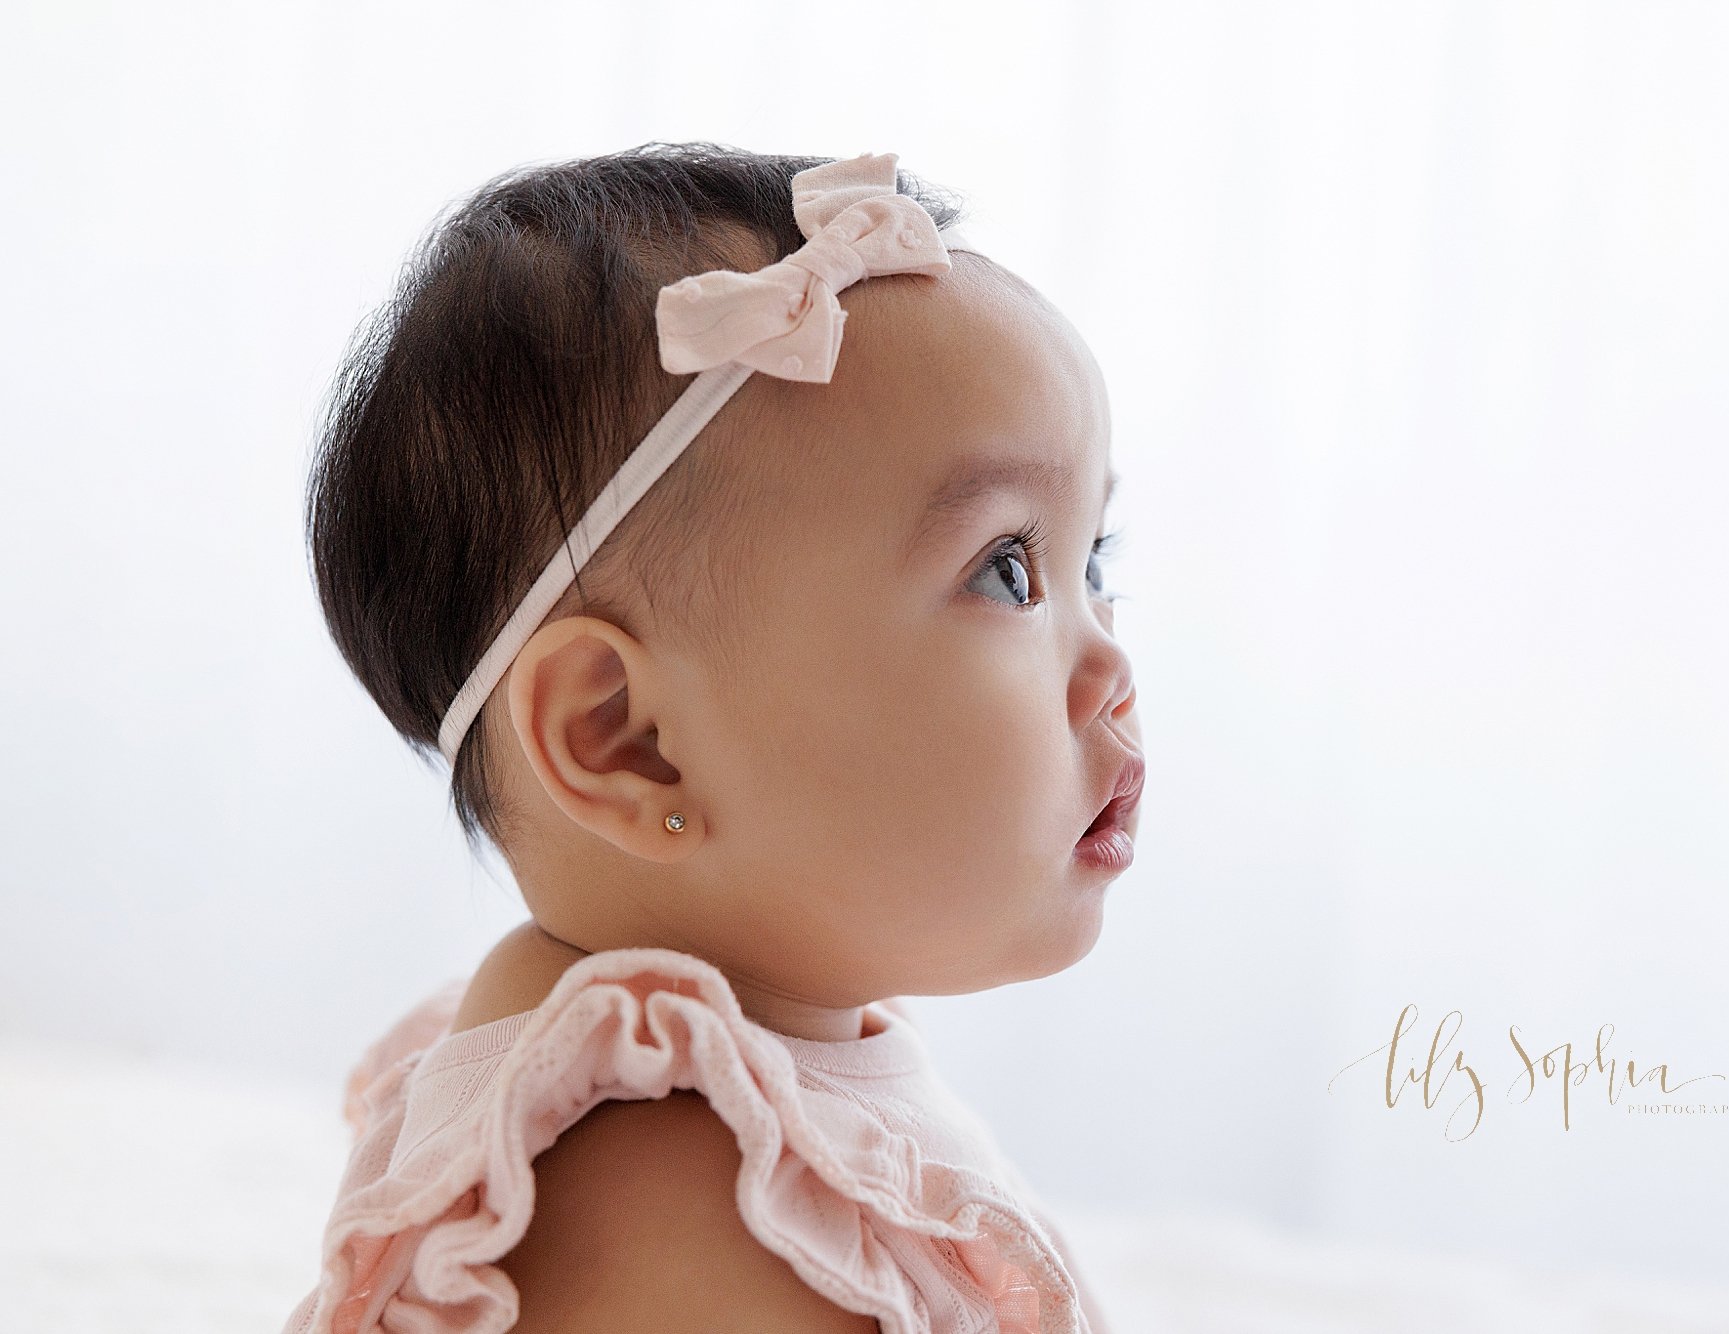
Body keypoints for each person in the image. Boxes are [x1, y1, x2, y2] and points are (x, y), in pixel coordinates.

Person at [281, 142, 1141, 1334]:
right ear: (626, 739)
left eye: (1093, 561)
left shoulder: (747, 1082)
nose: (1112, 669)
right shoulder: (665, 1187)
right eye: (1005, 569)